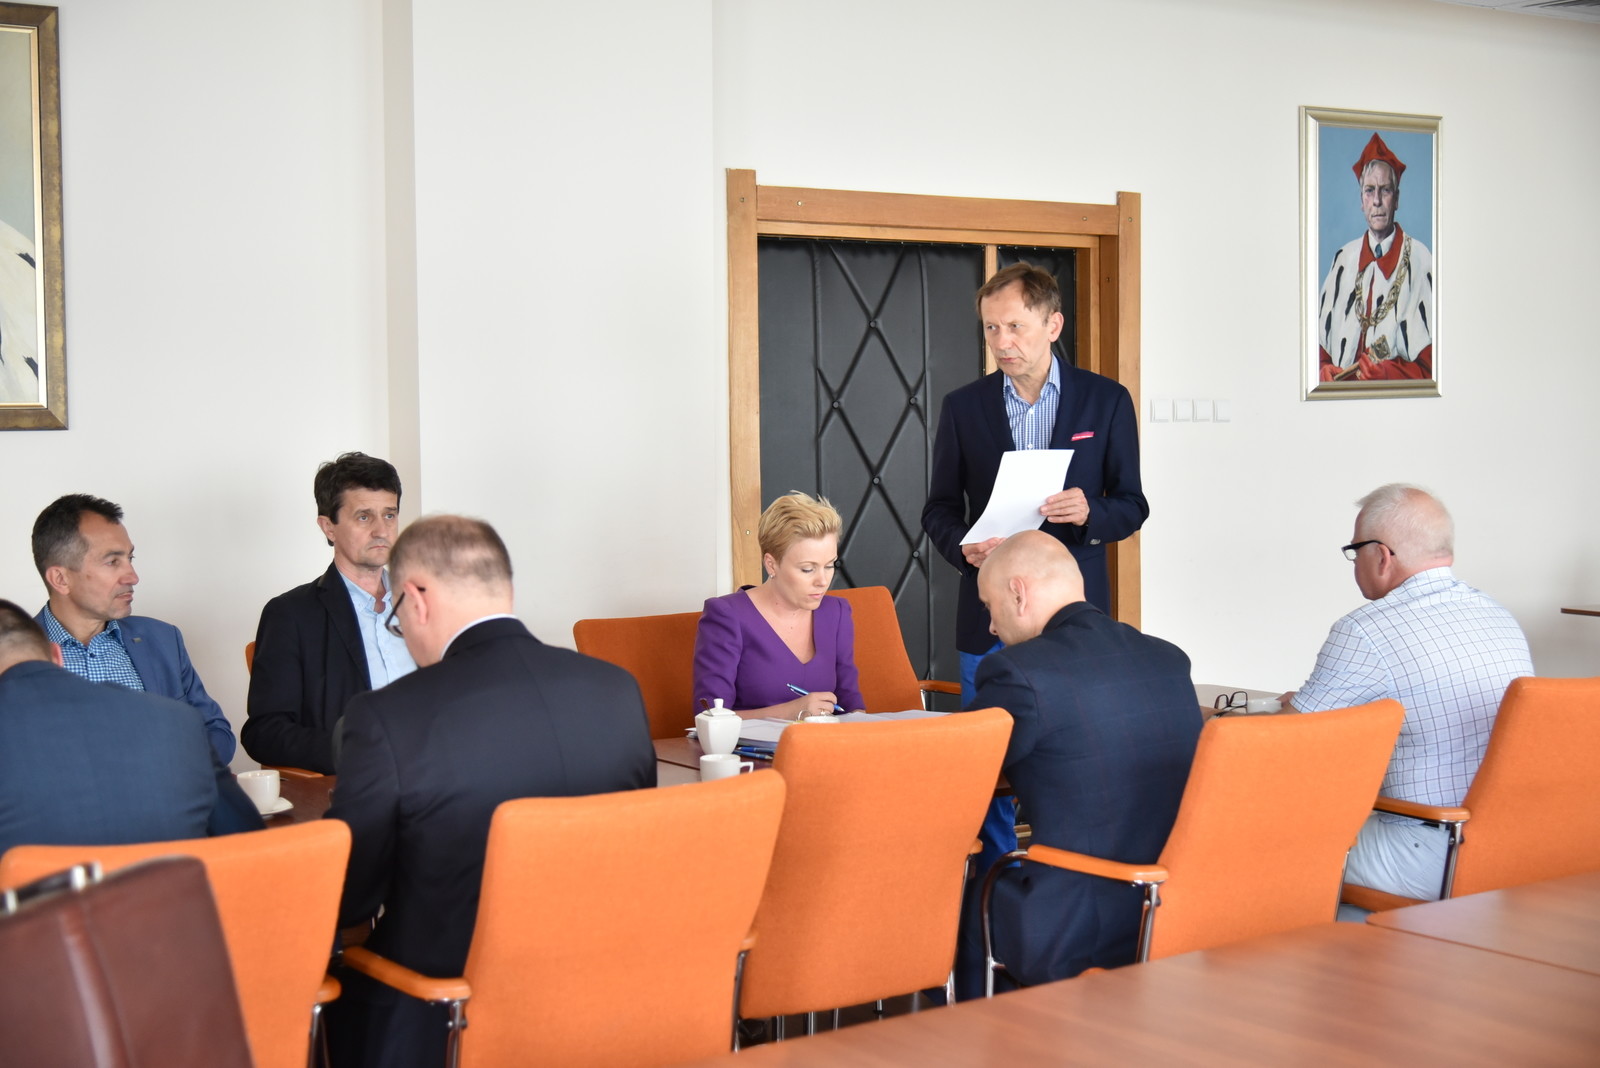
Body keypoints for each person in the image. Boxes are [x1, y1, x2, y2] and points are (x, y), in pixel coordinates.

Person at [324, 515, 655, 1068]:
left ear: (416, 599)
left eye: (397, 620)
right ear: (505, 590)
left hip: (447, 1010)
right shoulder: (615, 689)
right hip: (605, 997)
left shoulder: (388, 717)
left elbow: (349, 896)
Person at [922, 262, 1148, 866]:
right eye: (991, 328)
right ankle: (993, 881)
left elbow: (1133, 505)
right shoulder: (963, 407)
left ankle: (1065, 873)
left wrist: (1091, 511)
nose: (1002, 343)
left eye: (1015, 327)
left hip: (1074, 617)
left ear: (1053, 325)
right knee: (987, 761)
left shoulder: (1106, 400)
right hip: (988, 616)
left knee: (1077, 753)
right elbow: (938, 509)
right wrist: (962, 546)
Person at [956, 531, 1198, 998]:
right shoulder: (1168, 658)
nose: (991, 627)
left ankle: (973, 1033)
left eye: (989, 606)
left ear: (1018, 593)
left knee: (953, 905)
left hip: (1072, 922)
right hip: (1171, 909)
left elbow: (955, 768)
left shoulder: (1020, 671)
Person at [1283, 484, 1531, 901]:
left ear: (1382, 556)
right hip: (1506, 845)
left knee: (1270, 846)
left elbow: (1285, 744)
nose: (1354, 562)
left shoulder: (1365, 629)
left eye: (1355, 550)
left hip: (1428, 849)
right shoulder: (1499, 615)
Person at [0, 599, 261, 855]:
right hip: (169, 878)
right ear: (57, 657)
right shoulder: (179, 720)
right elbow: (246, 840)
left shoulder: (162, 639)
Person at [243, 452, 416, 773]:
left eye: (389, 515)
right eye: (364, 517)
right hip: (359, 781)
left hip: (440, 774)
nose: (382, 530)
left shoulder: (425, 603)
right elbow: (265, 732)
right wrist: (355, 752)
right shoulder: (291, 615)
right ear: (328, 527)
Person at [31, 494, 235, 764]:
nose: (133, 576)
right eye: (112, 561)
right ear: (60, 578)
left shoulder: (163, 640)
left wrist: (169, 769)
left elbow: (217, 733)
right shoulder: (12, 657)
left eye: (130, 558)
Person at [693, 491, 864, 720]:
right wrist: (792, 712)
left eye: (829, 565)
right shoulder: (726, 615)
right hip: (749, 745)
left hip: (826, 742)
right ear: (771, 564)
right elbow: (709, 717)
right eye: (807, 569)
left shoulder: (837, 612)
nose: (822, 581)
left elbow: (851, 703)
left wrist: (862, 725)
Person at [1317, 133, 1434, 382]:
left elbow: (1433, 369)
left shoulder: (1421, 261)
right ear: (1361, 200)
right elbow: (1318, 352)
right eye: (1370, 191)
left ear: (1396, 199)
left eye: (1385, 190)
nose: (1377, 201)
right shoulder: (1343, 260)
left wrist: (1387, 374)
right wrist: (1322, 370)